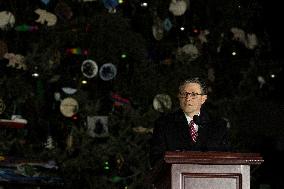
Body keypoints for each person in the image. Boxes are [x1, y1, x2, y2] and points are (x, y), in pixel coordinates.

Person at [149, 77, 230, 167]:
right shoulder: (164, 124)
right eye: (184, 94)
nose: (188, 98)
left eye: (193, 94)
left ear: (203, 99)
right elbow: (156, 159)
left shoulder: (218, 125)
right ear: (179, 97)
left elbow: (225, 158)